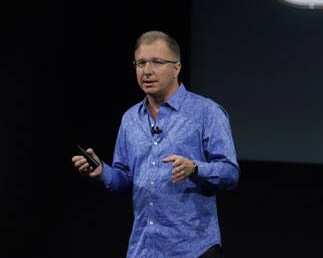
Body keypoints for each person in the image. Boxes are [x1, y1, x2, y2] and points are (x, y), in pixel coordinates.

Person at [71, 31, 239, 258]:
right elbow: (125, 179)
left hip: (194, 249)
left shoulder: (207, 112)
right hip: (144, 249)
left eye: (157, 62)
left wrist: (195, 168)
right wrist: (102, 172)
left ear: (176, 68)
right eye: (140, 63)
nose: (147, 71)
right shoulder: (130, 119)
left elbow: (230, 173)